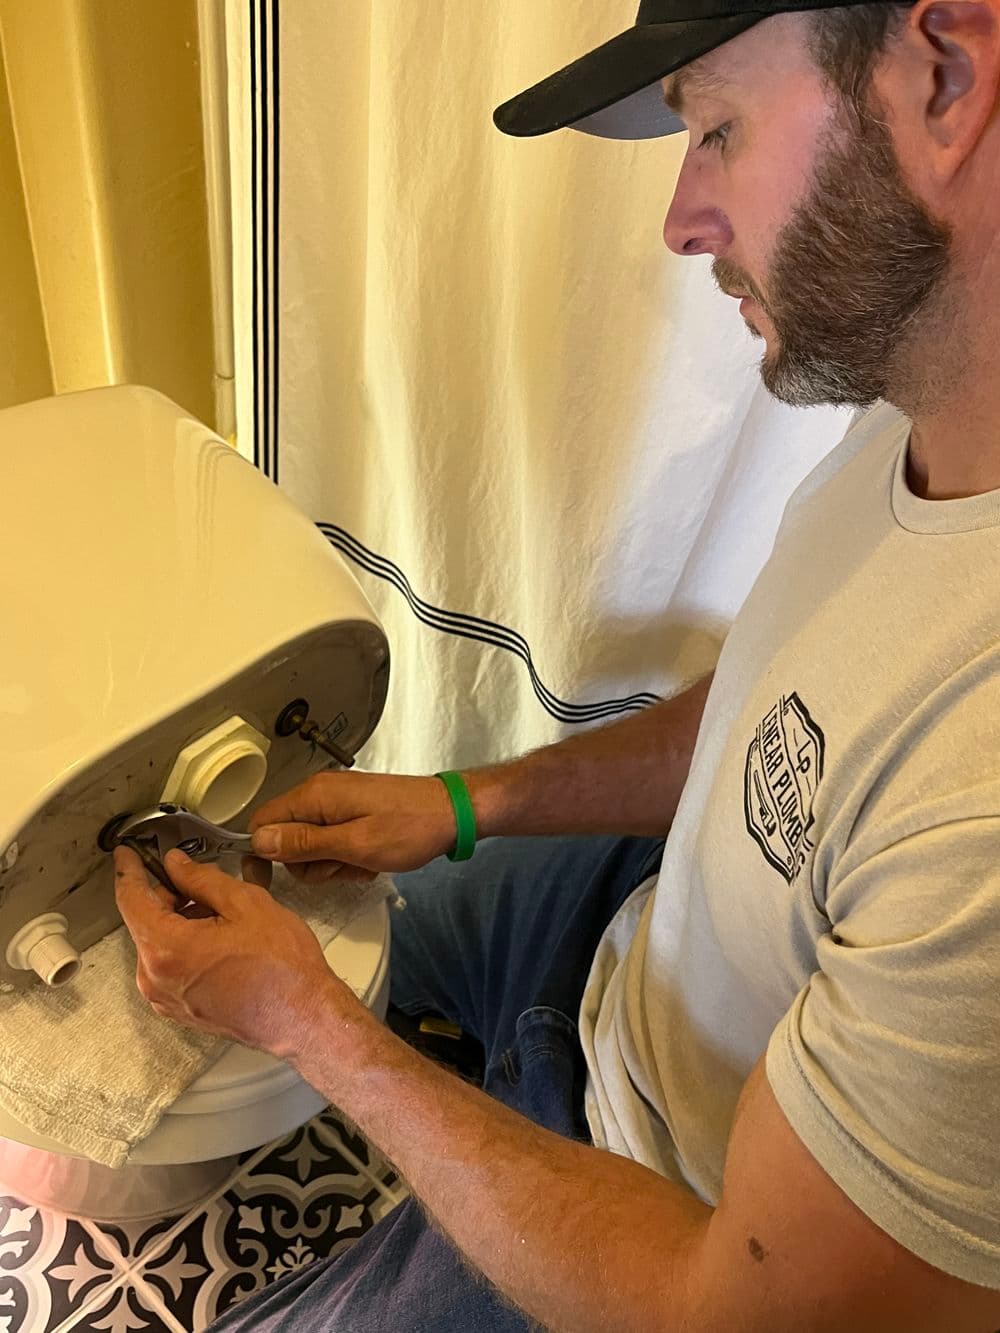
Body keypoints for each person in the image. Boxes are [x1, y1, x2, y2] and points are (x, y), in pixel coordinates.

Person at [115, 0, 1000, 1327]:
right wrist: (472, 804)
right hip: (631, 943)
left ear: (949, 75)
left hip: (680, 1221)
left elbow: (723, 1309)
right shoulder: (930, 405)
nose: (684, 218)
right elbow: (783, 713)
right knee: (241, 927)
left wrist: (315, 1030)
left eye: (718, 127)